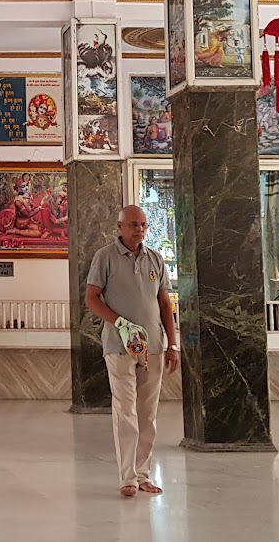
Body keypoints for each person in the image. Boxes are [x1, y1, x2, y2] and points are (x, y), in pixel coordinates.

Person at [84, 205, 179, 498]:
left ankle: (143, 474)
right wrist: (120, 323)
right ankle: (127, 477)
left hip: (152, 347)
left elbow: (165, 304)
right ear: (120, 227)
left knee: (147, 413)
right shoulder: (105, 257)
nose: (139, 230)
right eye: (133, 225)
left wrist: (172, 344)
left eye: (143, 225)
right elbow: (91, 298)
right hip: (119, 346)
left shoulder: (155, 259)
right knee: (125, 410)